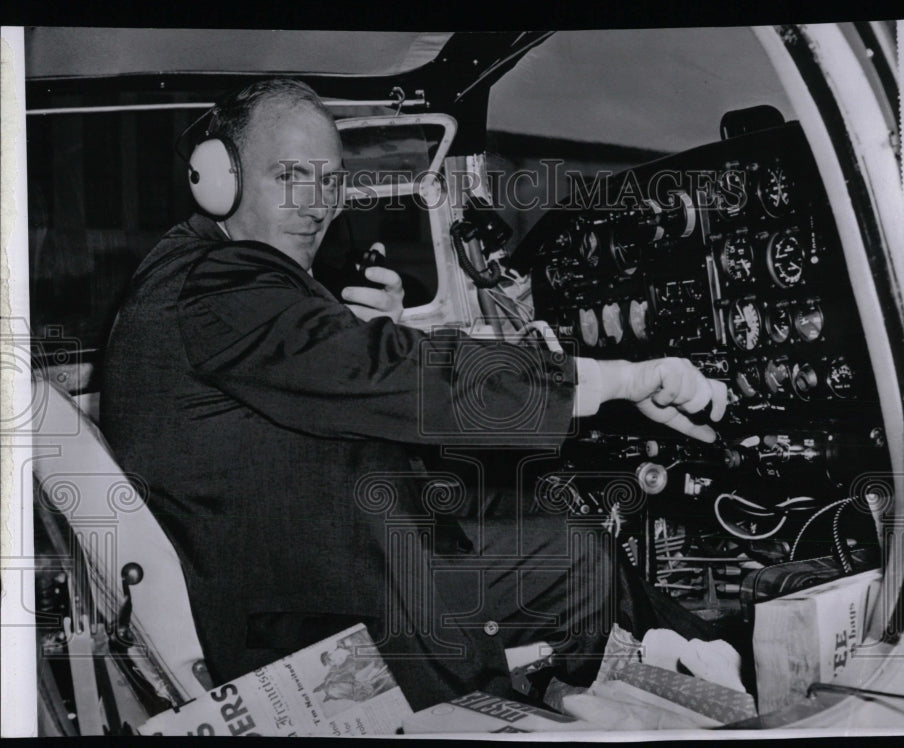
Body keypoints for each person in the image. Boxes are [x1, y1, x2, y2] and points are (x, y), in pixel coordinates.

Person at [100, 78, 728, 711]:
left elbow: (350, 378)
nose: (316, 206)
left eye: (329, 181)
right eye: (289, 174)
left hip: (301, 568)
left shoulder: (200, 276)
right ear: (217, 179)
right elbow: (386, 372)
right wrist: (621, 378)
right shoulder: (218, 284)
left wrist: (392, 343)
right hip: (320, 622)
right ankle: (708, 689)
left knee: (572, 548)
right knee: (577, 554)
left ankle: (669, 674)